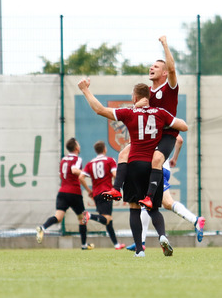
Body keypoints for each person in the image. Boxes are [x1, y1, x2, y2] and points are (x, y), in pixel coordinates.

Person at [78, 77, 188, 258]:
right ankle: (162, 236)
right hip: (153, 166)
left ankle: (139, 250)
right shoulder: (160, 113)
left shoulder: (129, 113)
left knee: (134, 208)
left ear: (135, 98)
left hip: (133, 165)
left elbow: (100, 110)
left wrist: (85, 90)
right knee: (154, 208)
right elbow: (183, 126)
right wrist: (169, 122)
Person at [103, 35, 180, 208]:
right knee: (123, 154)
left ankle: (150, 197)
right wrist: (136, 105)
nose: (151, 67)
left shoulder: (169, 88)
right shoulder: (148, 94)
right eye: (152, 65)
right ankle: (116, 190)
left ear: (165, 73)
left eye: (157, 66)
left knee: (157, 159)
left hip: (167, 135)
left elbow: (173, 70)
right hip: (151, 136)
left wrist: (165, 44)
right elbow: (138, 114)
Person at [126, 157, 205, 251]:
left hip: (155, 168)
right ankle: (140, 242)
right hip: (163, 167)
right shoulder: (165, 142)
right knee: (146, 203)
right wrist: (175, 158)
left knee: (167, 203)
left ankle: (195, 220)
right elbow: (179, 141)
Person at [36, 137, 95, 250]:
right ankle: (83, 245)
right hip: (74, 192)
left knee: (58, 217)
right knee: (82, 218)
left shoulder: (63, 159)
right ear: (77, 147)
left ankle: (42, 227)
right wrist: (87, 174)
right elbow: (74, 170)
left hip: (62, 192)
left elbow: (61, 175)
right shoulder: (77, 159)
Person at [81, 140, 125, 250]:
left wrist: (88, 190)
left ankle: (116, 244)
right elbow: (115, 175)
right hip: (107, 192)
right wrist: (118, 188)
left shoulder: (90, 163)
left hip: (96, 194)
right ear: (105, 149)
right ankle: (89, 215)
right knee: (107, 218)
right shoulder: (110, 160)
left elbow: (81, 177)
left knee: (106, 219)